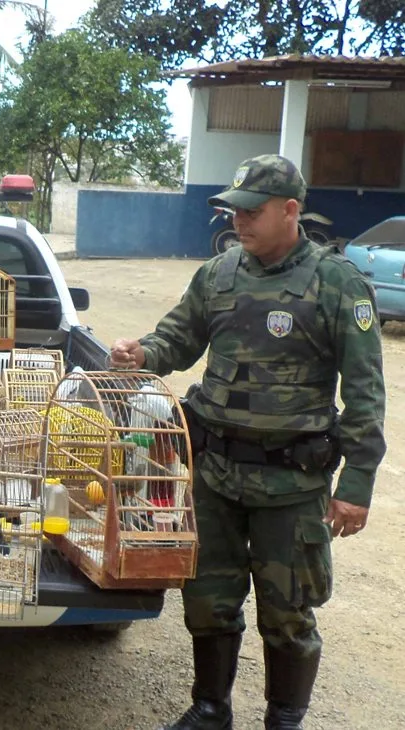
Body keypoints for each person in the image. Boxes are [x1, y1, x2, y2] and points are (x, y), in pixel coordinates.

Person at [111, 154, 385, 730]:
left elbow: (365, 396)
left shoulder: (337, 284)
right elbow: (178, 337)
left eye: (252, 212)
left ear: (291, 211)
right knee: (208, 600)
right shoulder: (219, 274)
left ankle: (284, 719)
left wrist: (355, 485)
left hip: (291, 484)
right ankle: (210, 710)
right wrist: (143, 354)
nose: (239, 222)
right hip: (214, 474)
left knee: (288, 612)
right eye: (234, 211)